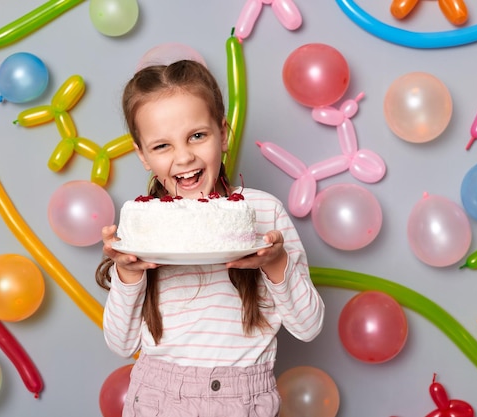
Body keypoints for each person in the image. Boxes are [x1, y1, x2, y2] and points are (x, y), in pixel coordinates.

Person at [95, 59, 324, 417]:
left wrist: (276, 263)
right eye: (161, 146)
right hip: (157, 397)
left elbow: (309, 327)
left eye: (197, 136)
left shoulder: (263, 212)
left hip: (243, 400)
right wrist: (128, 274)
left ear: (224, 134)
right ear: (141, 155)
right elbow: (121, 344)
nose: (184, 156)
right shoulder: (144, 225)